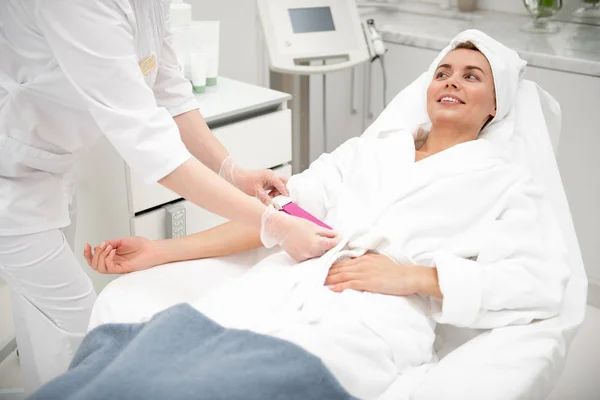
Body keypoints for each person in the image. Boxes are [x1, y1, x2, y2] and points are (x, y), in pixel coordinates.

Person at [82, 31, 569, 400]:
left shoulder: (506, 183)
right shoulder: (368, 153)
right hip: (272, 293)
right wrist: (158, 252)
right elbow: (275, 218)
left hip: (366, 321)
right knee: (129, 368)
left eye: (471, 76)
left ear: (496, 104)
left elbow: (539, 282)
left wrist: (414, 277)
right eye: (443, 72)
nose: (451, 82)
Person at [0, 0, 339, 392]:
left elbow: (168, 89)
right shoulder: (80, 6)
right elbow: (153, 147)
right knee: (77, 327)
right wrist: (274, 224)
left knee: (38, 311)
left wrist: (233, 171)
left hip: (45, 162)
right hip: (11, 176)